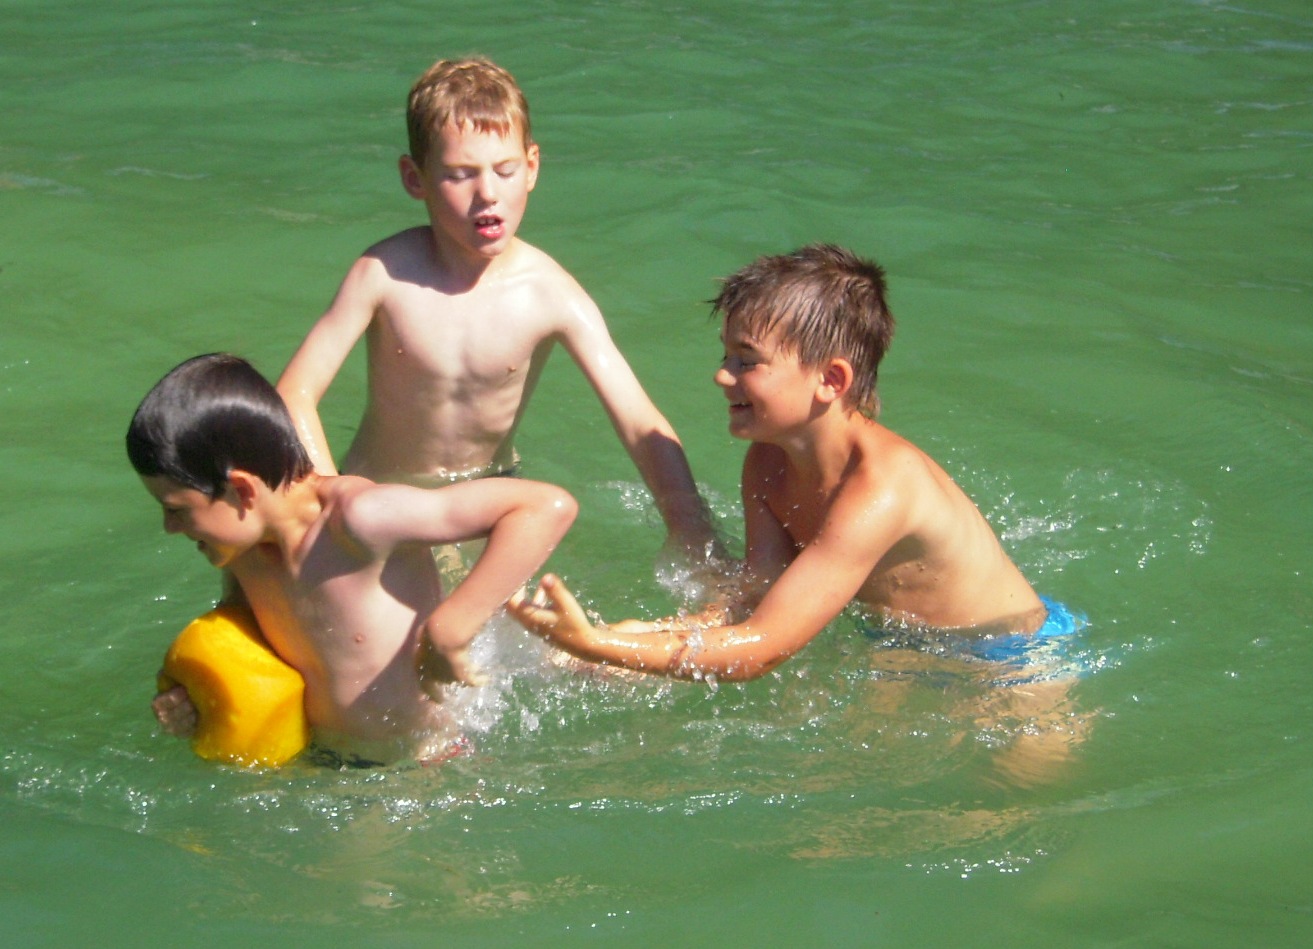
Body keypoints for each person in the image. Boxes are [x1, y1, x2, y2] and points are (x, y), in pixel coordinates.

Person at [509, 244, 1072, 682]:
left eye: (747, 361)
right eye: (726, 354)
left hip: (1013, 660)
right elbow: (758, 598)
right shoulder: (767, 462)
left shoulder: (883, 489)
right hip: (897, 647)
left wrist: (599, 645)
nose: (722, 375)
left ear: (830, 380)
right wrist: (629, 638)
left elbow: (760, 650)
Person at [276, 56, 716, 560]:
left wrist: (691, 529)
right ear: (414, 178)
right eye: (459, 175)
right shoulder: (383, 275)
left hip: (484, 504)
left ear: (532, 167)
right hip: (379, 498)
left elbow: (638, 421)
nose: (487, 193)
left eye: (505, 171)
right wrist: (331, 499)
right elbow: (295, 393)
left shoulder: (551, 294)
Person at [129, 354, 577, 765]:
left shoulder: (359, 521)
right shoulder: (242, 555)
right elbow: (244, 639)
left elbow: (544, 508)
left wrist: (452, 627)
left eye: (176, 510)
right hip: (322, 762)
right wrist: (194, 695)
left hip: (426, 763)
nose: (169, 527)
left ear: (242, 490)